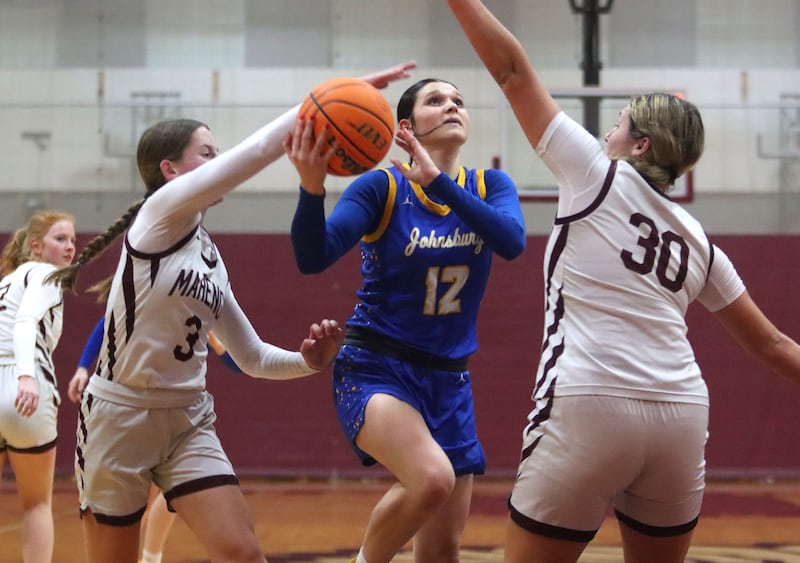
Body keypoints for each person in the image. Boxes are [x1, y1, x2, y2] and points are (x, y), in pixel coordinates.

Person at [445, 1, 800, 562]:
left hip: (591, 399)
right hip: (681, 412)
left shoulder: (595, 173)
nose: (604, 132)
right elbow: (774, 344)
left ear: (640, 146)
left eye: (617, 124)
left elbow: (510, 71)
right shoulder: (701, 242)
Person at [46, 62, 416, 563]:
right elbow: (255, 154)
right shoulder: (157, 219)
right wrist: (325, 101)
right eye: (207, 154)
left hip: (187, 419)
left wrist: (310, 359)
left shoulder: (209, 255)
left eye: (218, 154)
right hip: (119, 417)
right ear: (171, 172)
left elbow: (251, 355)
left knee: (243, 553)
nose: (219, 162)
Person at [284, 76, 526, 563]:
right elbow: (314, 256)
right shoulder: (382, 186)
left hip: (449, 379)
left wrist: (438, 181)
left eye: (458, 100)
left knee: (440, 550)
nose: (452, 105)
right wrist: (312, 189)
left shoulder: (489, 185)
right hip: (376, 367)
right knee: (432, 478)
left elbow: (512, 242)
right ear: (406, 126)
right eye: (435, 100)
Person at [67, 280, 241, 563]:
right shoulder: (149, 300)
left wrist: (218, 343)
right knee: (134, 506)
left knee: (166, 493)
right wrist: (82, 368)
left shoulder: (203, 306)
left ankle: (150, 557)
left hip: (176, 411)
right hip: (132, 409)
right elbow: (104, 325)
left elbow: (239, 363)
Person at [0, 210, 76, 563]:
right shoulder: (45, 273)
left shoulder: (5, 281)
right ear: (35, 245)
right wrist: (26, 376)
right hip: (23, 386)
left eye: (73, 240)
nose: (71, 247)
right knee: (37, 504)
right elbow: (27, 320)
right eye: (60, 239)